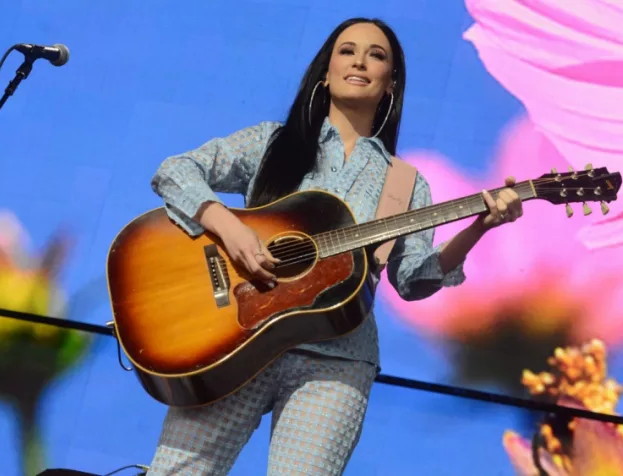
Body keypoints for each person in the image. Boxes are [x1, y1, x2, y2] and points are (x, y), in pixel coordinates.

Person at [146, 17, 523, 476]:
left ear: (391, 84)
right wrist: (229, 227)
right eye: (347, 50)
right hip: (234, 342)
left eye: (376, 54)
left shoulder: (404, 183)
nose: (360, 60)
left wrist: (478, 227)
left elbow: (413, 281)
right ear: (326, 71)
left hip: (336, 362)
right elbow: (175, 171)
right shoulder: (271, 142)